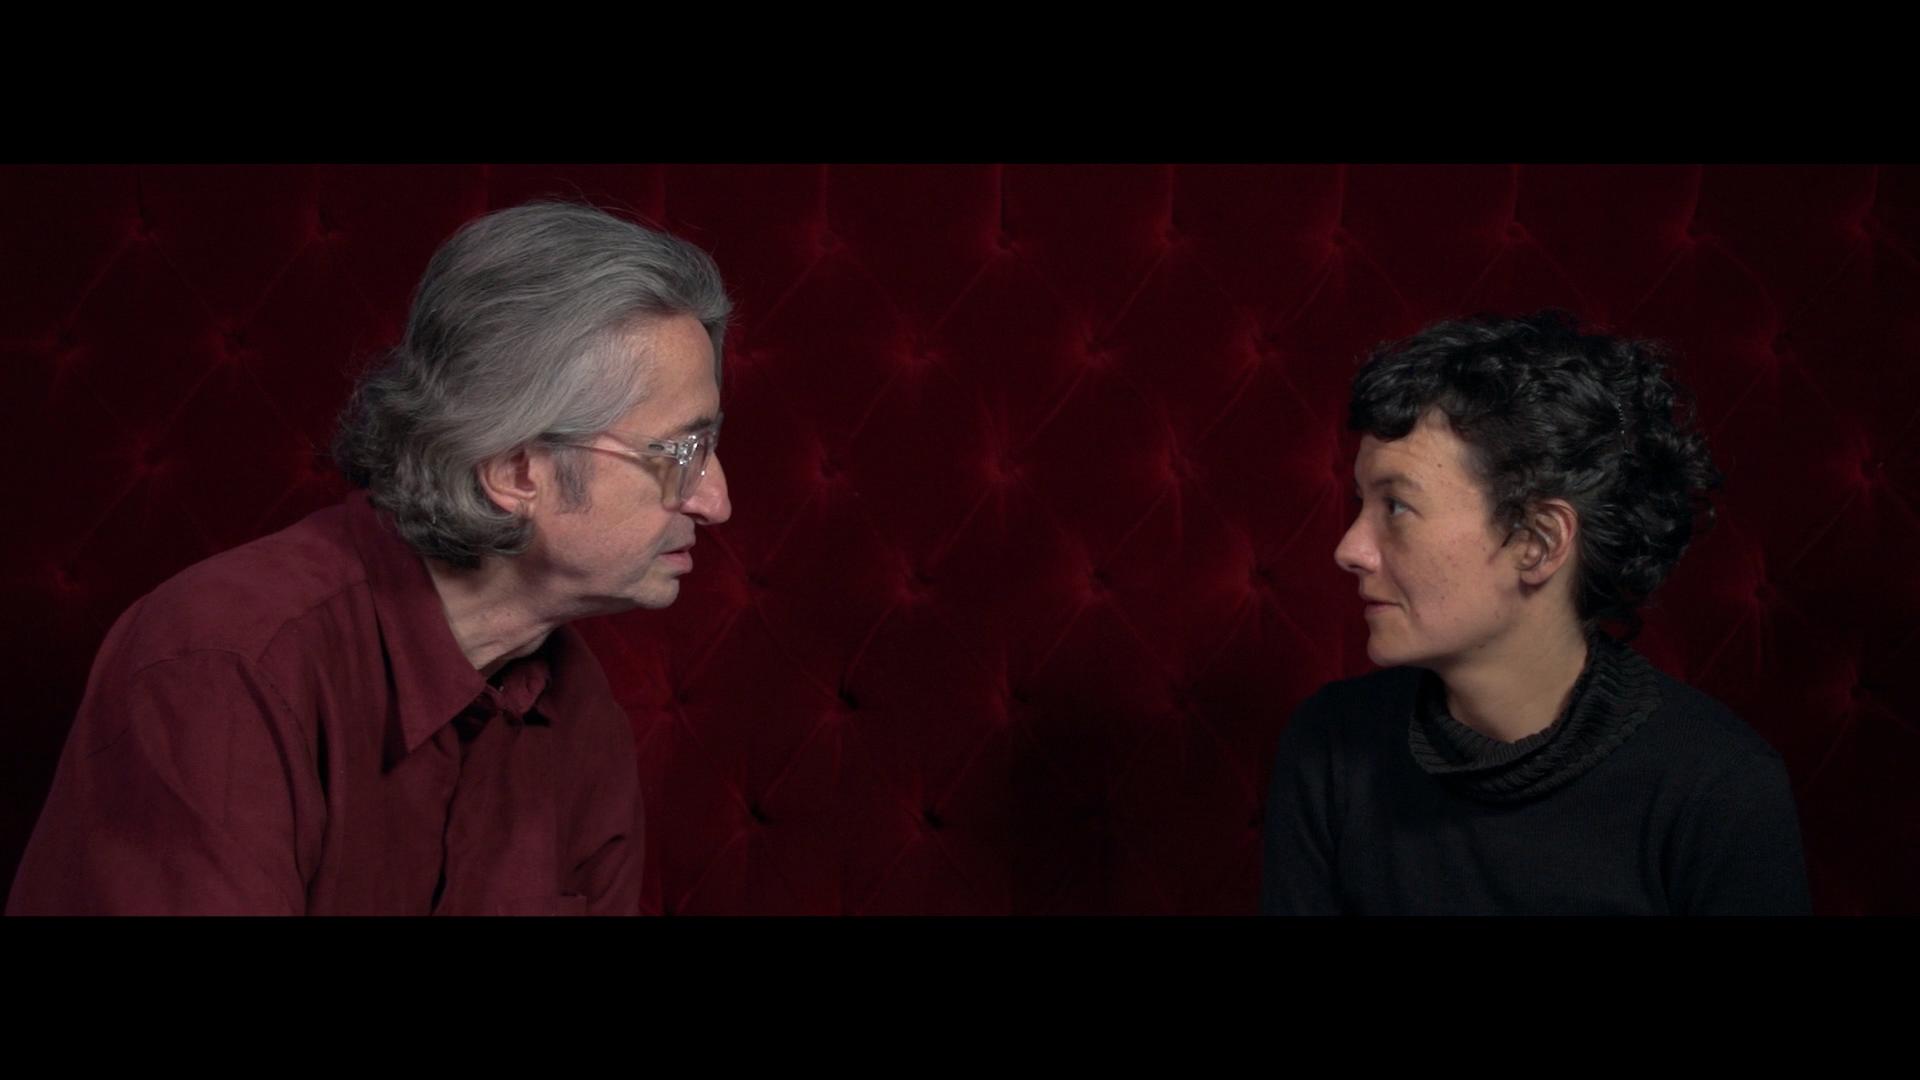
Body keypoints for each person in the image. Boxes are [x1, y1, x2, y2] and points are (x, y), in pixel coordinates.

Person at [9, 201, 733, 914]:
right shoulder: (226, 662)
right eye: (681, 452)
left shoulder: (580, 714)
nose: (716, 500)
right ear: (516, 472)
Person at [1262, 311, 1811, 915]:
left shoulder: (1718, 786)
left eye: (1395, 507)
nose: (1349, 549)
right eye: (1361, 503)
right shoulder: (1331, 746)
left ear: (1538, 542)